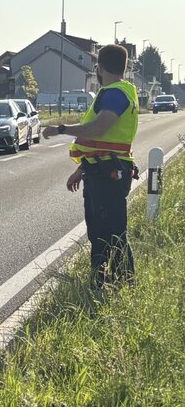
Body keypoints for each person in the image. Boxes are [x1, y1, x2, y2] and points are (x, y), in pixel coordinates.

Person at [42, 43, 138, 289]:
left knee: (109, 230)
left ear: (100, 67)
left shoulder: (114, 93)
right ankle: (107, 280)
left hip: (108, 172)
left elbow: (98, 128)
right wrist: (81, 170)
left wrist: (61, 129)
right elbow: (102, 143)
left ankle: (114, 282)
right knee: (100, 229)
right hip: (102, 169)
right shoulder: (122, 91)